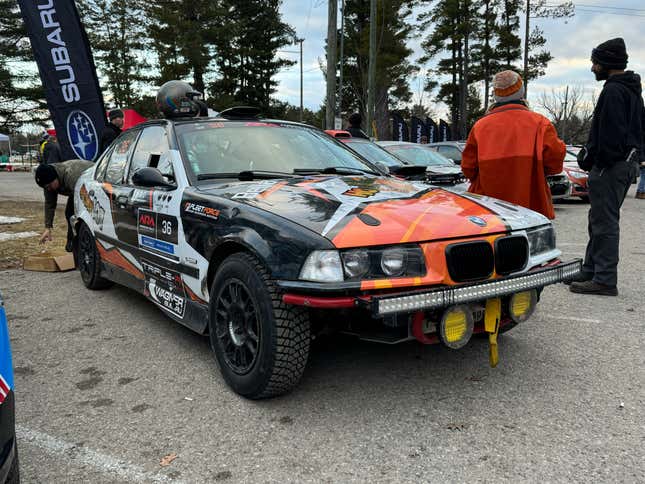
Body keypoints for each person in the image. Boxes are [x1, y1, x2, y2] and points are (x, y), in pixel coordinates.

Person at [568, 38, 642, 296]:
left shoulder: (613, 91)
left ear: (606, 64)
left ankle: (604, 280)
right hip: (625, 166)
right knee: (598, 219)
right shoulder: (632, 90)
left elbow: (610, 137)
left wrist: (589, 158)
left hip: (610, 167)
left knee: (605, 223)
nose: (592, 68)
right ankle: (590, 269)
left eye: (595, 62)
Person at [461, 70, 565, 219]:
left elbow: (468, 168)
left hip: (489, 208)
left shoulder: (480, 126)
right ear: (521, 92)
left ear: (495, 96)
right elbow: (555, 162)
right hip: (531, 205)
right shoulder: (540, 123)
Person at [34, 159, 93, 252]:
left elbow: (86, 201)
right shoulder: (48, 182)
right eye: (46, 188)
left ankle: (85, 244)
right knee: (69, 213)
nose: (48, 189)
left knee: (79, 214)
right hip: (77, 190)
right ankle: (73, 244)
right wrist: (47, 227)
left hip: (91, 182)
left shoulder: (71, 175)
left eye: (49, 186)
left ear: (54, 178)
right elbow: (50, 204)